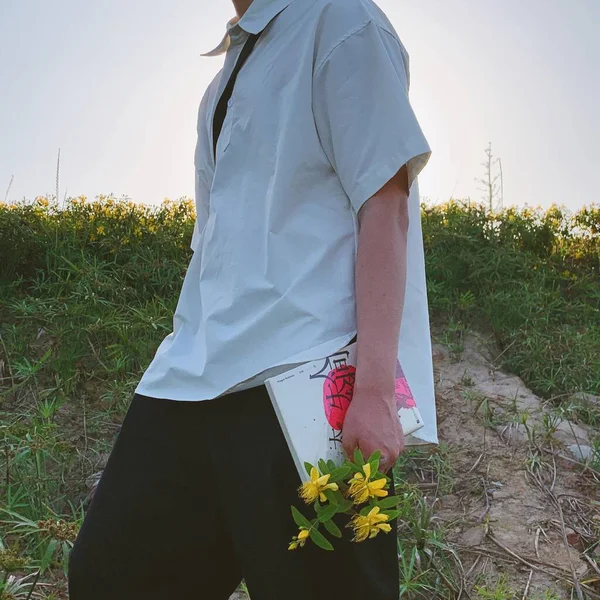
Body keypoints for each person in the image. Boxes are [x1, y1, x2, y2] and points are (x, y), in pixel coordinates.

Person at [68, 0, 431, 597]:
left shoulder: (341, 20)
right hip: (190, 376)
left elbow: (385, 202)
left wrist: (373, 389)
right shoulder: (222, 80)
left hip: (304, 377)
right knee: (110, 574)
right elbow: (212, 243)